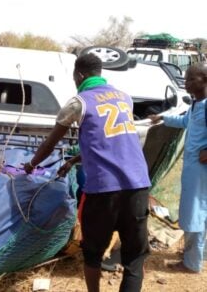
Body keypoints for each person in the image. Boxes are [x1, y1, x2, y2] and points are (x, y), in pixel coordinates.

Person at [24, 53, 151, 292]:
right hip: (138, 186)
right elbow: (108, 142)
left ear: (79, 75)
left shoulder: (78, 102)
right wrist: (73, 161)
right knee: (134, 258)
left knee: (92, 253)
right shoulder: (124, 99)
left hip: (103, 190)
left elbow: (49, 144)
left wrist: (30, 165)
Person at [148, 63, 207, 273]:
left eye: (192, 79)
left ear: (205, 80)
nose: (187, 83)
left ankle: (192, 263)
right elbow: (185, 122)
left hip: (201, 168)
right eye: (186, 78)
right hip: (193, 166)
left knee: (195, 212)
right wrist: (163, 118)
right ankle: (197, 254)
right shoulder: (196, 104)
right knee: (199, 210)